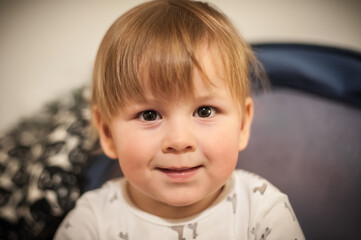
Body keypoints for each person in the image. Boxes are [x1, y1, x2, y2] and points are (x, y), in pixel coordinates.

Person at [55, 0, 305, 239]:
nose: (179, 140)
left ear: (242, 124)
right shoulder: (92, 221)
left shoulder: (262, 211)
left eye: (204, 111)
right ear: (108, 133)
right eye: (149, 115)